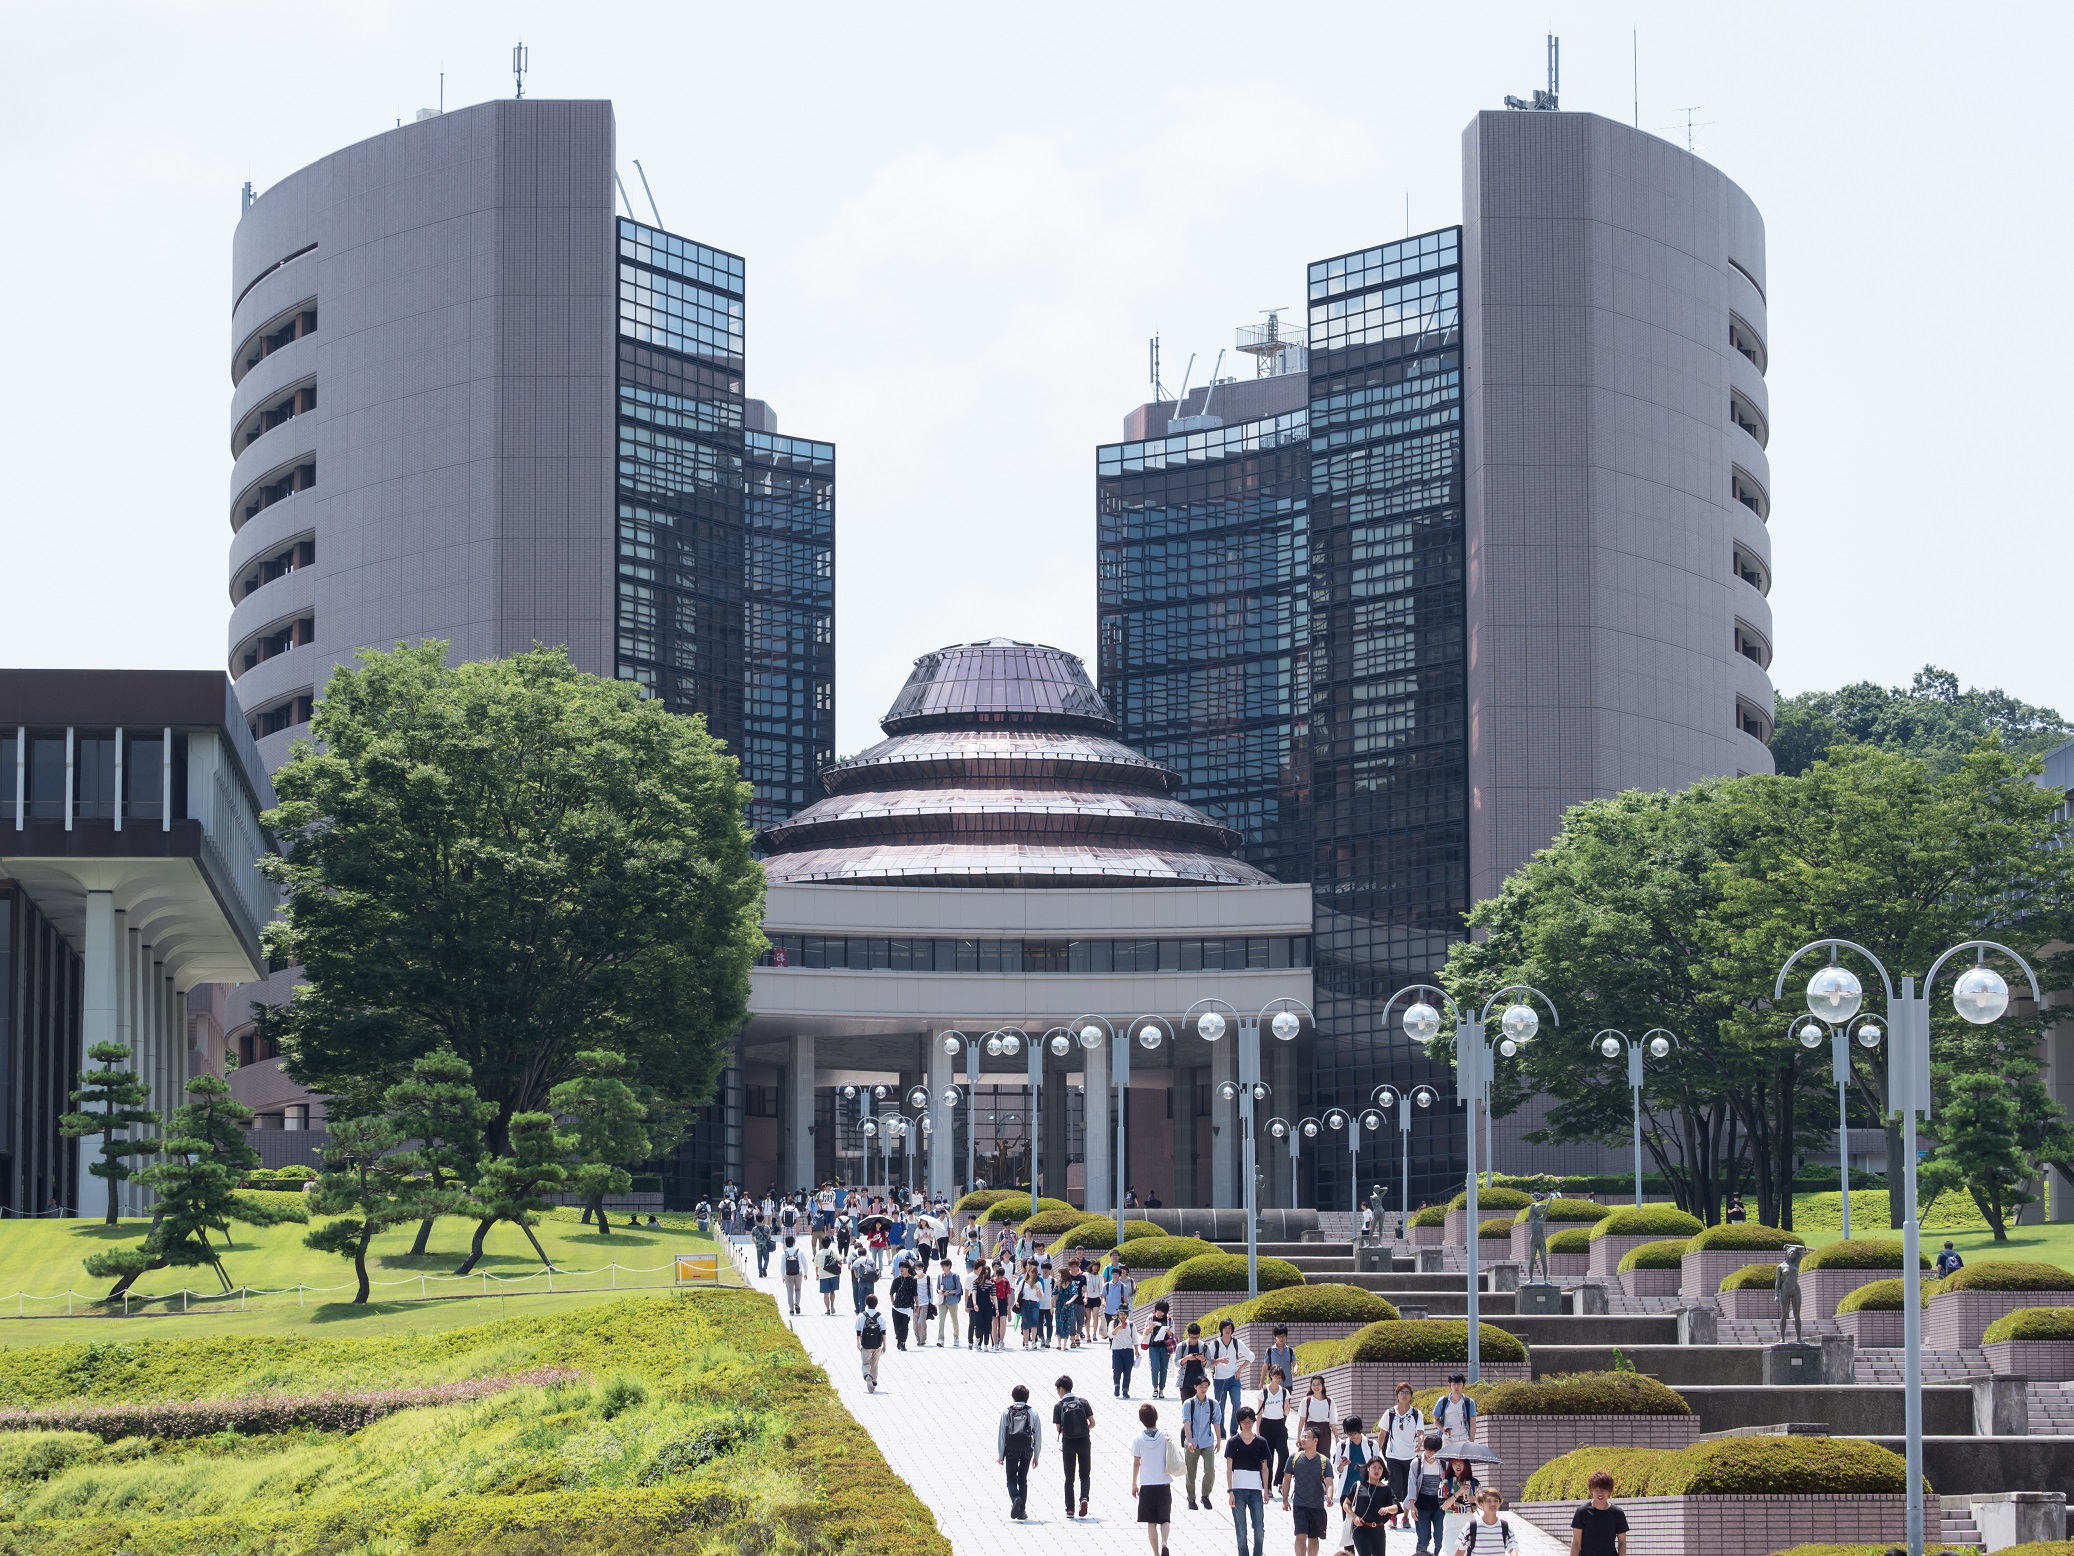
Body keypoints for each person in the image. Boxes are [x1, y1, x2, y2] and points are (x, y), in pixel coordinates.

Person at [1223, 1406, 1273, 1556]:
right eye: (1244, 1421)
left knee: (1259, 1529)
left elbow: (1265, 1468)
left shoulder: (1261, 1442)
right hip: (1238, 1491)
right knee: (1241, 1531)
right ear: (1239, 1423)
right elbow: (1228, 1467)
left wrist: (1266, 1490)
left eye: (1250, 1421)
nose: (1248, 1424)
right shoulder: (1233, 1442)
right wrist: (1230, 1491)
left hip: (1256, 1491)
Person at [1129, 1402, 1176, 1556]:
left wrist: (1134, 1483)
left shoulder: (1138, 1439)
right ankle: (1165, 1542)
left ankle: (1156, 1553)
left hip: (1147, 1485)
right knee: (1165, 1519)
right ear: (1156, 1417)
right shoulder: (1165, 1435)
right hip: (1164, 1483)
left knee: (1151, 1522)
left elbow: (1137, 1463)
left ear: (1141, 1420)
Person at [1381, 1380, 1427, 1529]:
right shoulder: (1390, 1413)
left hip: (1411, 1456)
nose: (1404, 1395)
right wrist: (1376, 1454)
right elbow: (1382, 1435)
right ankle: (1393, 1516)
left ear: (1411, 1396)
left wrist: (1420, 1443)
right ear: (1397, 1396)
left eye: (1407, 1392)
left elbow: (1420, 1433)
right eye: (1402, 1392)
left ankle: (1405, 1517)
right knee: (1394, 1485)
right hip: (1393, 1455)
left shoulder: (1416, 1413)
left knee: (1409, 1487)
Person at [1279, 1426, 1332, 1556]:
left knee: (1313, 1538)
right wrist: (1285, 1500)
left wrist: (1329, 1496)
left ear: (1315, 1441)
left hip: (1317, 1505)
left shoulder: (1324, 1461)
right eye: (1302, 1436)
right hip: (1299, 1504)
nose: (1303, 1439)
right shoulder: (1294, 1458)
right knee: (1300, 1535)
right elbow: (1286, 1480)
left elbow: (1329, 1482)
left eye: (1306, 1437)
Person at [998, 1383, 1042, 1520]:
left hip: (1011, 1450)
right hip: (1026, 1450)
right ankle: (1022, 1511)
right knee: (1022, 1479)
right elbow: (1038, 1435)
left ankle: (1015, 1498)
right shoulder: (1032, 1413)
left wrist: (1000, 1455)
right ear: (1027, 1398)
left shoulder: (1006, 1412)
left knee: (1011, 1478)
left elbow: (1002, 1435)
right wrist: (1036, 1456)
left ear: (1013, 1397)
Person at [1054, 1374, 1095, 1520]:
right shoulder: (1083, 1402)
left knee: (1069, 1477)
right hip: (1084, 1441)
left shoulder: (1059, 1406)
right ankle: (1084, 1498)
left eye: (1058, 1389)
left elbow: (1059, 1429)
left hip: (1068, 1443)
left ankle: (1070, 1509)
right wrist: (1085, 1430)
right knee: (1084, 1474)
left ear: (1062, 1389)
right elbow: (1093, 1423)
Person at [1330, 1416, 1372, 1553]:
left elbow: (1378, 1466)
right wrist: (1342, 1465)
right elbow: (1337, 1469)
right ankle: (1349, 1554)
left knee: (1364, 1525)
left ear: (1360, 1430)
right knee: (1348, 1526)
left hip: (1366, 1491)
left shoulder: (1371, 1445)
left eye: (1354, 1433)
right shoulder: (1341, 1445)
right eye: (1348, 1434)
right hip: (1347, 1491)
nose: (1351, 1437)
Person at [1181, 1374, 1223, 1512]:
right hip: (1192, 1442)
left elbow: (1217, 1423)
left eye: (1206, 1386)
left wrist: (1218, 1440)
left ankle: (1205, 1495)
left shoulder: (1213, 1404)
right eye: (1201, 1386)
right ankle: (1191, 1498)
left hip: (1207, 1441)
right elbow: (1187, 1423)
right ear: (1195, 1387)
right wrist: (1190, 1441)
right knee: (1190, 1472)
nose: (1203, 1389)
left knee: (1210, 1470)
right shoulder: (1188, 1404)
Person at [1347, 1455, 1403, 1556]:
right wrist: (1354, 1516)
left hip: (1378, 1529)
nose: (1377, 1470)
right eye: (1374, 1467)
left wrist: (1387, 1509)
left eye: (1380, 1468)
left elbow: (1396, 1508)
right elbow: (1346, 1504)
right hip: (1360, 1528)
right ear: (1368, 1468)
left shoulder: (1386, 1489)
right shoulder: (1359, 1485)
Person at [1569, 1469, 1629, 1556]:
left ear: (1609, 1491)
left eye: (1604, 1490)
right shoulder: (1582, 1512)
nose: (1600, 1493)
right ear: (1591, 1491)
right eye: (1597, 1490)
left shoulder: (1617, 1513)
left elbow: (1622, 1542)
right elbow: (1576, 1543)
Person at [1410, 1434, 1448, 1556]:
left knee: (1440, 1539)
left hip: (1440, 1507)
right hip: (1421, 1506)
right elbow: (1411, 1485)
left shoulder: (1443, 1463)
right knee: (1423, 1540)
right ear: (1424, 1449)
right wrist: (1412, 1506)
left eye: (1434, 1452)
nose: (1431, 1454)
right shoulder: (1417, 1463)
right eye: (1428, 1451)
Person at [1451, 1486, 1517, 1553]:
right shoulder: (1471, 1527)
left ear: (1499, 1504)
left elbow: (1513, 1548)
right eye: (1488, 1501)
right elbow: (1461, 1551)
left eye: (1496, 1501)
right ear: (1481, 1504)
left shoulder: (1506, 1527)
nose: (1492, 1504)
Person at [1256, 1366, 1292, 1486]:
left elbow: (1286, 1412)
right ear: (1271, 1375)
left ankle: (1279, 1481)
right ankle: (1267, 1485)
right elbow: (1260, 1412)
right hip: (1266, 1425)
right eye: (1276, 1376)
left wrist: (1287, 1409)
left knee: (1284, 1455)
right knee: (1268, 1458)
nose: (1278, 1379)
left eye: (1280, 1377)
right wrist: (1257, 1431)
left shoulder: (1284, 1392)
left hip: (1280, 1425)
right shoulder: (1264, 1392)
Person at [855, 1294, 887, 1392]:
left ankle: (867, 1375)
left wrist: (858, 1342)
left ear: (866, 1303)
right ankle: (873, 1379)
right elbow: (883, 1332)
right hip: (877, 1345)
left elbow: (858, 1331)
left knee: (866, 1363)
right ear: (876, 1304)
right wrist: (884, 1345)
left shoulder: (861, 1316)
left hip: (866, 1345)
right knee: (874, 1364)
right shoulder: (880, 1316)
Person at [1144, 1302, 1176, 1398]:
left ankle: (1161, 1389)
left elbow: (1173, 1335)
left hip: (1165, 1346)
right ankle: (1155, 1388)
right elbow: (1145, 1332)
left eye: (1161, 1312)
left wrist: (1169, 1331)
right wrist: (1151, 1327)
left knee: (1163, 1368)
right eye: (1158, 1311)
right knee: (1155, 1366)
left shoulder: (1169, 1319)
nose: (1159, 1313)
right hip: (1153, 1346)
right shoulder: (1151, 1318)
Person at [1434, 1374, 1477, 1445]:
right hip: (1447, 1439)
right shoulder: (1443, 1401)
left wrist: (1471, 1440)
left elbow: (1473, 1423)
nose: (1456, 1387)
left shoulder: (1469, 1402)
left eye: (1459, 1384)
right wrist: (1443, 1429)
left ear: (1463, 1385)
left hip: (1464, 1438)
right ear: (1449, 1385)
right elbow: (1436, 1419)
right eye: (1454, 1384)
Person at [1301, 1375, 1336, 1455]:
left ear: (1323, 1386)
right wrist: (1299, 1437)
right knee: (1308, 1454)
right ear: (1311, 1386)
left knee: (1324, 1455)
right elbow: (1302, 1420)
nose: (1316, 1387)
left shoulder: (1329, 1401)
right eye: (1313, 1384)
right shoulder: (1306, 1400)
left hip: (1325, 1430)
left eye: (1318, 1384)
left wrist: (1337, 1437)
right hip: (1310, 1429)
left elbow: (1332, 1421)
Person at [889, 1257, 919, 1350]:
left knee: (904, 1326)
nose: (901, 1269)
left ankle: (903, 1343)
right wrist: (893, 1302)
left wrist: (917, 1305)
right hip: (897, 1307)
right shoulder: (897, 1280)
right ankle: (899, 1339)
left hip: (907, 1307)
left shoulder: (913, 1280)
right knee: (897, 1327)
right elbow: (891, 1292)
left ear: (907, 1268)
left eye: (903, 1267)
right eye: (900, 1267)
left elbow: (915, 1294)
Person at [1176, 1322, 1210, 1400]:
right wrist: (1186, 1358)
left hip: (1200, 1383)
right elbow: (1176, 1363)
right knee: (1186, 1407)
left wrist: (1203, 1359)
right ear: (1188, 1335)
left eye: (1196, 1337)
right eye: (1192, 1337)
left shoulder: (1204, 1346)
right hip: (1185, 1381)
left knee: (1199, 1406)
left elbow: (1209, 1364)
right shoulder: (1182, 1346)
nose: (1194, 1340)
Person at [935, 1257, 964, 1346]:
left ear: (949, 1266)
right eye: (942, 1266)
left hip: (952, 1301)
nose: (943, 1268)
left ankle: (956, 1337)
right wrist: (940, 1291)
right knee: (941, 1320)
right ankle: (940, 1339)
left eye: (944, 1266)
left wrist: (949, 1292)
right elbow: (937, 1288)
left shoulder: (955, 1276)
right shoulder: (940, 1276)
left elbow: (958, 1289)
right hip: (942, 1301)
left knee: (954, 1320)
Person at [1110, 1311, 1139, 1397]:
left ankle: (1125, 1390)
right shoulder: (1113, 1323)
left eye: (1125, 1314)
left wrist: (1137, 1350)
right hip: (1117, 1350)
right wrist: (1118, 1327)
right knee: (1117, 1370)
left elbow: (1135, 1338)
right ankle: (1116, 1386)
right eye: (1121, 1314)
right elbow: (1110, 1335)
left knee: (1127, 1371)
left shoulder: (1131, 1324)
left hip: (1128, 1350)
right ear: (1118, 1314)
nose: (1123, 1316)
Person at [1261, 1325, 1297, 1392]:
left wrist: (1295, 1370)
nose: (1281, 1338)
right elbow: (1265, 1366)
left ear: (1286, 1336)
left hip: (1287, 1384)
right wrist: (1261, 1381)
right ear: (1275, 1337)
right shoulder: (1269, 1351)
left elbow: (1295, 1363)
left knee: (1286, 1402)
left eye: (1283, 1336)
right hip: (1274, 1385)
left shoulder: (1290, 1350)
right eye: (1279, 1336)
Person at [779, 1234, 805, 1315]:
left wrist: (783, 1276)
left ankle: (791, 1309)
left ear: (786, 1244)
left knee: (790, 1292)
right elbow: (805, 1263)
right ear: (794, 1242)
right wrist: (806, 1273)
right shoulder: (799, 1251)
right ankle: (797, 1304)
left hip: (788, 1275)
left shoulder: (784, 1253)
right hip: (798, 1273)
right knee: (798, 1289)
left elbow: (782, 1266)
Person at [816, 1236, 843, 1315]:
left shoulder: (819, 1253)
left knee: (825, 1294)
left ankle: (827, 1310)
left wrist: (817, 1275)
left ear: (822, 1244)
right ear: (829, 1244)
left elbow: (816, 1265)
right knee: (832, 1291)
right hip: (833, 1274)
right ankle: (832, 1304)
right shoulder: (832, 1252)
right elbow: (840, 1260)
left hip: (823, 1276)